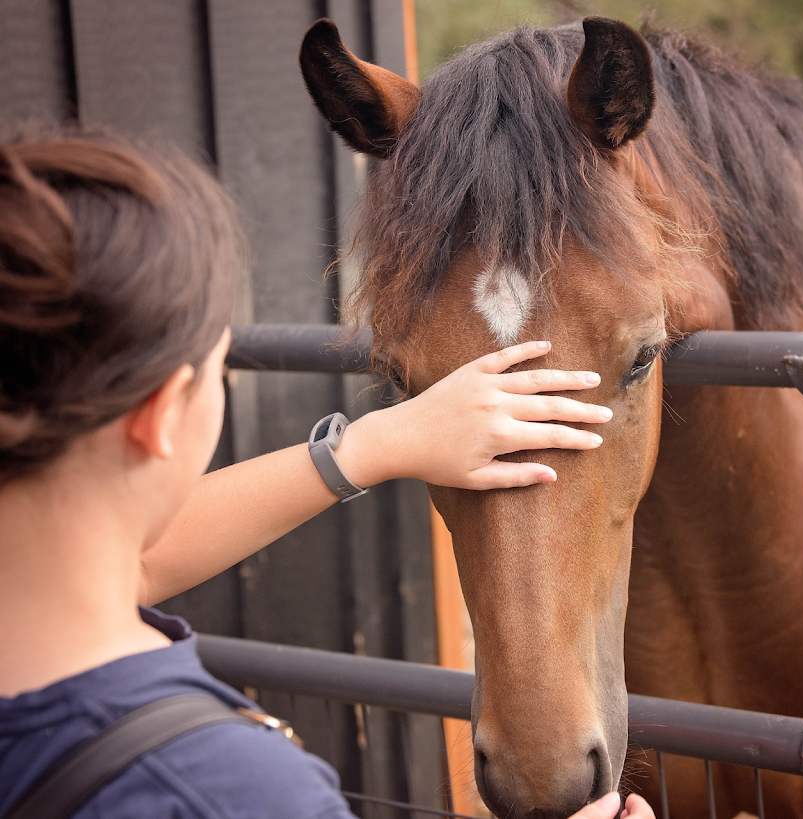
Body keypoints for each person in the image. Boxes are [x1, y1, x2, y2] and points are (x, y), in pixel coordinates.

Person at [0, 127, 656, 819]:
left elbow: (126, 564)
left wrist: (374, 443)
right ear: (162, 412)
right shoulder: (236, 792)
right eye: (215, 369)